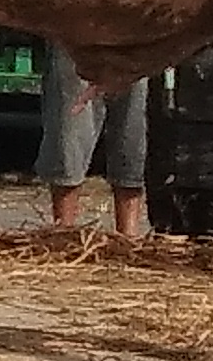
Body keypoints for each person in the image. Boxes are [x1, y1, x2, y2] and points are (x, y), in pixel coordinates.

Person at [36, 42, 152, 239]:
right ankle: (64, 233)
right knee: (69, 129)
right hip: (76, 25)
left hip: (137, 30)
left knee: (135, 126)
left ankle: (129, 238)